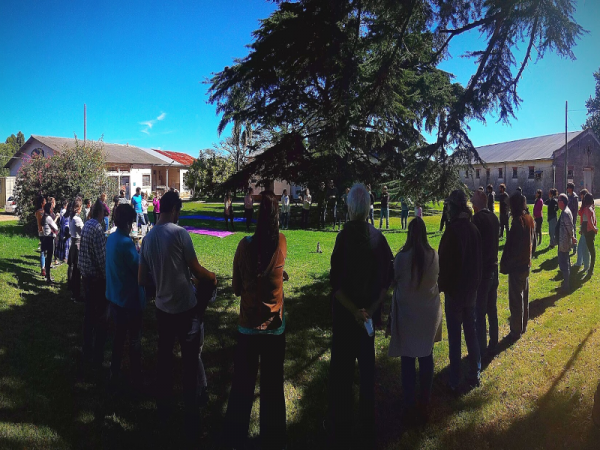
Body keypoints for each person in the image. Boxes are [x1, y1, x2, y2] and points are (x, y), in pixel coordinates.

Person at [138, 191, 217, 433]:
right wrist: (211, 277)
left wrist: (162, 281)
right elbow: (195, 268)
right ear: (173, 210)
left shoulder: (147, 239)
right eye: (179, 211)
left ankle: (163, 411)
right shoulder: (180, 233)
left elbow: (141, 279)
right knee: (189, 363)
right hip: (185, 308)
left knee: (164, 361)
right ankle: (191, 418)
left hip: (163, 309)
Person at [328, 183, 393, 448]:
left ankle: (342, 427)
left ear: (350, 207)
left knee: (342, 375)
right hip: (366, 320)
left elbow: (335, 284)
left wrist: (355, 310)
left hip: (347, 319)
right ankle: (368, 427)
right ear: (367, 208)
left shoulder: (343, 238)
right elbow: (387, 279)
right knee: (366, 375)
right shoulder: (378, 238)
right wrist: (370, 310)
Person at [224, 191, 288, 450]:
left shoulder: (244, 246)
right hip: (274, 328)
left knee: (242, 385)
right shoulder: (281, 242)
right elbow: (274, 266)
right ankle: (274, 439)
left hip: (248, 326)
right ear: (277, 218)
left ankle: (234, 437)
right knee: (273, 387)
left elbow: (236, 288)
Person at [387, 217, 441, 419]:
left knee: (408, 358)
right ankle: (424, 400)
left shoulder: (402, 258)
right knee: (426, 356)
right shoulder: (433, 255)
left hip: (408, 313)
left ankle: (409, 402)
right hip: (427, 313)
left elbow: (394, 280)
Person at [438, 190, 482, 391]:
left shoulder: (452, 231)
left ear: (455, 208)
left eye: (449, 206)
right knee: (471, 332)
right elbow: (479, 263)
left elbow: (444, 264)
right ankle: (475, 373)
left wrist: (443, 286)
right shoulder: (473, 229)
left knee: (455, 337)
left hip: (456, 292)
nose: (447, 210)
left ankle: (455, 380)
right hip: (470, 291)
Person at [106, 204, 146, 389]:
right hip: (128, 299)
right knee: (134, 339)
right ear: (129, 223)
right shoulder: (125, 242)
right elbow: (138, 269)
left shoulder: (111, 238)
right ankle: (136, 376)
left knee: (118, 337)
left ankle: (114, 371)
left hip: (114, 296)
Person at [500, 192, 535, 340]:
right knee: (524, 297)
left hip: (518, 266)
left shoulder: (518, 222)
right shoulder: (529, 219)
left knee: (516, 300)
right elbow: (533, 243)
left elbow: (511, 247)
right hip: (526, 264)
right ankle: (523, 325)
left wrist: (506, 264)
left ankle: (516, 330)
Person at [79, 199, 109, 369]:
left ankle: (86, 348)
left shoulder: (87, 225)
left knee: (89, 314)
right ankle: (98, 355)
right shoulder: (97, 228)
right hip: (95, 279)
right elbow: (101, 259)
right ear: (101, 213)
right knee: (101, 318)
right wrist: (108, 279)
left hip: (85, 276)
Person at [471, 190, 500, 357]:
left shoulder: (477, 220)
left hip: (483, 271)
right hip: (494, 267)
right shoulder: (494, 218)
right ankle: (494, 343)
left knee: (480, 312)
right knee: (492, 309)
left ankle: (481, 348)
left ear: (476, 205)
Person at [556, 194, 576, 293]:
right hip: (562, 242)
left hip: (564, 242)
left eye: (558, 200)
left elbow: (570, 227)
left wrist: (573, 237)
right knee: (564, 262)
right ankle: (566, 283)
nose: (557, 202)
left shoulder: (565, 213)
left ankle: (566, 285)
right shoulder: (565, 211)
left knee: (563, 263)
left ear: (562, 202)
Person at [68, 198, 84, 303]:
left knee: (74, 269)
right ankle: (76, 294)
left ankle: (74, 291)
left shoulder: (71, 217)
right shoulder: (77, 219)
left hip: (73, 243)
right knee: (77, 270)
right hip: (77, 244)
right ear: (78, 208)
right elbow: (84, 230)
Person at [579, 193, 597, 278]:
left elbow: (588, 221)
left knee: (590, 251)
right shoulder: (589, 208)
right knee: (591, 252)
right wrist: (594, 229)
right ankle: (589, 269)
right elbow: (588, 221)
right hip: (589, 232)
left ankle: (589, 269)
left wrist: (594, 229)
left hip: (589, 232)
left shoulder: (588, 208)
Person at [41, 202, 59, 284]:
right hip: (50, 239)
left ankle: (47, 275)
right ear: (49, 209)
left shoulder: (44, 216)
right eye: (51, 208)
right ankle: (48, 278)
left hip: (45, 238)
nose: (52, 209)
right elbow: (55, 227)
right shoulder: (48, 218)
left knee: (47, 258)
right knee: (49, 258)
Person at [574, 189, 591, 271]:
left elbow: (583, 215)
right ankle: (579, 262)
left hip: (586, 229)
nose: (580, 197)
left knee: (585, 248)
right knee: (581, 247)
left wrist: (584, 229)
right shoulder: (585, 205)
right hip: (584, 227)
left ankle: (586, 266)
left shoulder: (587, 206)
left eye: (581, 195)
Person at [35, 195, 47, 277]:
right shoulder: (42, 212)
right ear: (42, 203)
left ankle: (43, 267)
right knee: (44, 250)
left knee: (43, 250)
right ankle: (44, 267)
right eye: (45, 201)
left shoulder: (37, 212)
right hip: (44, 232)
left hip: (40, 232)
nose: (46, 202)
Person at [567, 182, 579, 254]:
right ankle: (570, 247)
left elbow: (575, 210)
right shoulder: (568, 196)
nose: (567, 189)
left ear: (571, 189)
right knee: (568, 233)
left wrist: (573, 219)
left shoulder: (575, 197)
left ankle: (575, 248)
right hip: (568, 218)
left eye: (568, 187)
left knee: (573, 233)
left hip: (572, 219)